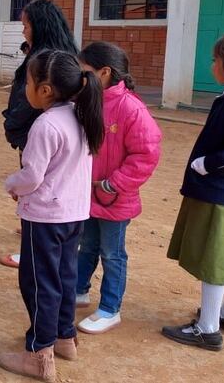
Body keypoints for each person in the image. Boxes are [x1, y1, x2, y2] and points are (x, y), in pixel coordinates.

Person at [0, 49, 104, 382]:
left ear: (45, 90)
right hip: (73, 214)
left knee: (39, 283)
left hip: (46, 217)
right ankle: (63, 337)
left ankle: (39, 354)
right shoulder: (82, 115)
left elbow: (32, 176)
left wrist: (11, 184)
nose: (24, 88)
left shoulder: (46, 124)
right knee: (63, 277)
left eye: (27, 81)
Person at [74, 42, 162, 334]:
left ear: (105, 72)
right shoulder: (88, 101)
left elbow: (146, 154)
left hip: (114, 199)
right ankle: (78, 290)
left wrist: (113, 184)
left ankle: (110, 308)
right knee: (86, 246)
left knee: (112, 254)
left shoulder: (130, 108)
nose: (80, 77)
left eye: (85, 71)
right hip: (89, 195)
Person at [162, 30, 224, 351]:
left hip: (222, 192)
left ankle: (208, 327)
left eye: (215, 60)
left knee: (215, 258)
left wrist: (206, 164)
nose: (211, 67)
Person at [0, 0, 79, 269]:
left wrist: (12, 123)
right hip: (43, 137)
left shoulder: (45, 61)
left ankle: (33, 249)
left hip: (35, 135)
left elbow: (25, 102)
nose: (23, 31)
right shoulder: (60, 55)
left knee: (38, 188)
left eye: (26, 25)